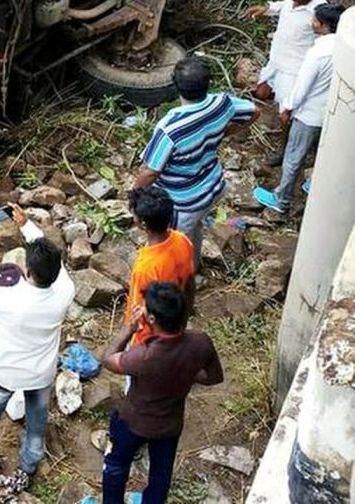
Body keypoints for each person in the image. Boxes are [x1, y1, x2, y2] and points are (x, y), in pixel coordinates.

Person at [0, 205, 74, 491]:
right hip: (41, 373)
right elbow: (55, 264)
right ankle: (29, 465)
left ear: (27, 270)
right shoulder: (65, 291)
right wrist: (27, 226)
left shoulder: (8, 299)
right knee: (37, 419)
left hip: (5, 371)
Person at [91, 283, 223, 504]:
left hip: (132, 422)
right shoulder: (201, 342)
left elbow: (108, 359)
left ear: (151, 319)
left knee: (115, 466)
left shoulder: (143, 357)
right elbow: (214, 377)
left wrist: (130, 328)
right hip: (169, 426)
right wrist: (184, 373)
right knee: (160, 477)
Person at [133, 56, 257, 266]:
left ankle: (178, 284)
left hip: (184, 202)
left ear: (176, 87)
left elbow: (151, 172)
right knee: (195, 228)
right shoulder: (222, 102)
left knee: (172, 245)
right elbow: (254, 112)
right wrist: (224, 132)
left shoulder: (170, 127)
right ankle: (194, 266)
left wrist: (134, 197)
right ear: (208, 84)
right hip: (214, 186)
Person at [255, 3, 347, 214]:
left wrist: (287, 107)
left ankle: (282, 200)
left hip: (309, 114)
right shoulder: (345, 46)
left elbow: (302, 86)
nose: (311, 23)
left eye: (315, 20)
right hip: (334, 112)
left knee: (294, 157)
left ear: (324, 26)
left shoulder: (318, 53)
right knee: (325, 154)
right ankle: (314, 185)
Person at [246, 0, 327, 112]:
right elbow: (284, 5)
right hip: (277, 58)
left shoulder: (319, 12)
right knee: (260, 93)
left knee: (285, 108)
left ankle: (286, 132)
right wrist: (267, 9)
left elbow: (326, 38)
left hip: (294, 67)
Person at [126, 185, 195, 345]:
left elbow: (139, 313)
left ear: (142, 224)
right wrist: (183, 319)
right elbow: (190, 282)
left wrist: (135, 339)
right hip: (175, 321)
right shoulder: (181, 239)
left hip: (148, 338)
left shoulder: (146, 267)